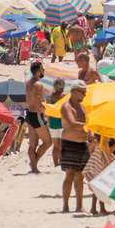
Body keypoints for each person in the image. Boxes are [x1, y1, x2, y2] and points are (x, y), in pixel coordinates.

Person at [60, 82, 89, 213]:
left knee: (80, 176)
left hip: (82, 143)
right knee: (69, 174)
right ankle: (65, 205)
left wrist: (92, 133)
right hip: (70, 142)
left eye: (85, 92)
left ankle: (79, 205)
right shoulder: (66, 107)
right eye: (82, 92)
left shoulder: (83, 107)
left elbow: (87, 122)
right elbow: (71, 123)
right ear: (74, 91)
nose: (84, 95)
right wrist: (88, 127)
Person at [25, 61, 52, 173]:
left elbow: (31, 100)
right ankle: (34, 164)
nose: (43, 71)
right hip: (37, 115)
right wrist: (49, 111)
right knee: (48, 142)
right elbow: (39, 104)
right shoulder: (38, 85)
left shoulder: (28, 83)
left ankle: (34, 167)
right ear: (37, 71)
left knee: (32, 144)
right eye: (42, 69)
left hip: (29, 114)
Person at [48, 79, 66, 167]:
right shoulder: (64, 96)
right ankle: (61, 162)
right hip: (62, 123)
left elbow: (48, 110)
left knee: (55, 146)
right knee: (62, 145)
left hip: (52, 123)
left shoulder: (51, 96)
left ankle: (56, 163)